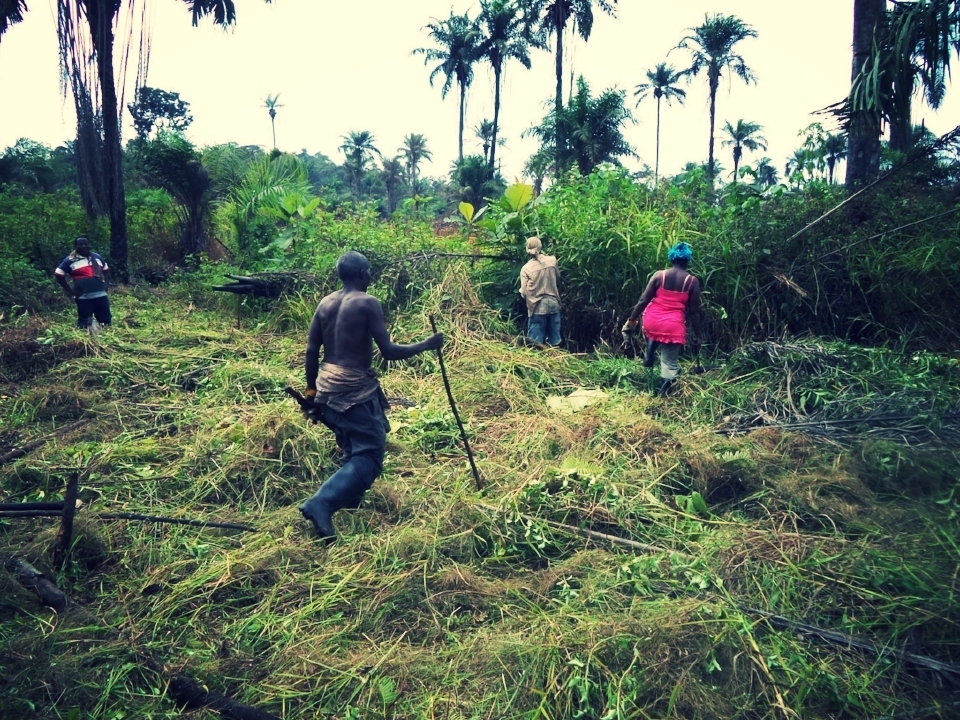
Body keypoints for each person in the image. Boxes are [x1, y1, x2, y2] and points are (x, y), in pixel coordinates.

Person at [298, 251, 443, 543]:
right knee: (370, 454)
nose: (371, 276)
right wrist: (426, 344)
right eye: (369, 272)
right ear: (362, 274)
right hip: (352, 387)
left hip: (326, 384)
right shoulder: (367, 303)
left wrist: (311, 390)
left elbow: (312, 351)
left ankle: (348, 499)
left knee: (352, 443)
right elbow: (389, 352)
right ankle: (321, 503)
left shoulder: (325, 303)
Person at [622, 242, 702, 396]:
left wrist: (632, 320)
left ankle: (649, 366)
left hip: (652, 321)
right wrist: (698, 336)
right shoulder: (692, 281)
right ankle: (662, 396)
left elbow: (643, 301)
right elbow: (694, 312)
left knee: (653, 341)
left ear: (671, 259)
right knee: (669, 363)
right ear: (687, 261)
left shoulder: (659, 275)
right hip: (672, 326)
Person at [54, 236, 112, 329]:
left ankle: (104, 340)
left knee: (105, 321)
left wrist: (106, 284)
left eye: (85, 244)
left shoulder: (97, 257)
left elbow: (106, 270)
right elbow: (58, 274)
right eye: (80, 244)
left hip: (101, 296)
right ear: (76, 246)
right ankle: (87, 342)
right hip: (84, 298)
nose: (84, 246)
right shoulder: (70, 260)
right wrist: (70, 290)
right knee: (85, 323)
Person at [519, 236, 562, 346]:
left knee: (535, 344)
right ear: (540, 246)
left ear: (527, 249)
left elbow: (524, 292)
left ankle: (541, 363)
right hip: (553, 304)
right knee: (555, 341)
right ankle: (557, 360)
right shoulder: (552, 261)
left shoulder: (526, 268)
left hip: (537, 308)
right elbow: (558, 278)